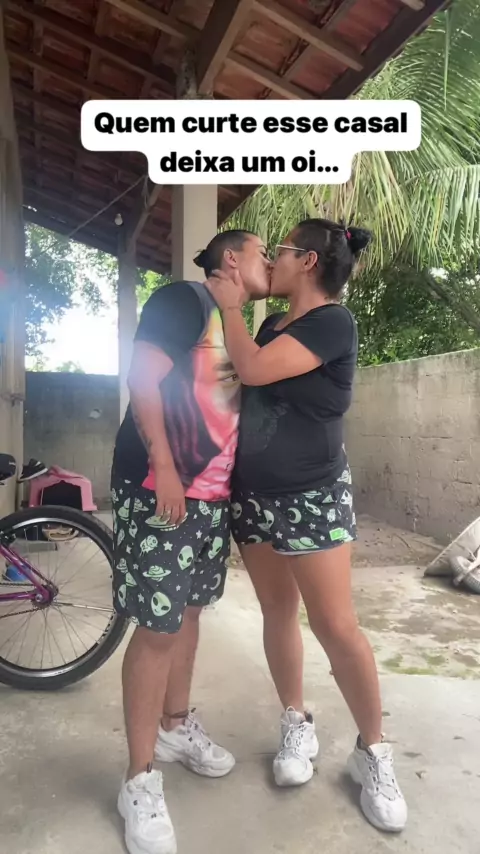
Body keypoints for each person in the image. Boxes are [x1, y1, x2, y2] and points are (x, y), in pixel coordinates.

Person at [206, 218, 408, 834]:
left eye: (283, 251)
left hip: (312, 495)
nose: (274, 259)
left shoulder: (332, 322)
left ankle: (373, 751)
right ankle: (296, 720)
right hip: (255, 495)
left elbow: (254, 370)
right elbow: (243, 383)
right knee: (277, 611)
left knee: (335, 625)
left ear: (310, 262)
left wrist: (230, 306)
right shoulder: (274, 323)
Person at [111, 229, 270, 854]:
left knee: (189, 614)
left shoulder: (234, 324)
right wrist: (166, 467)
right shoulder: (183, 300)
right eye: (261, 253)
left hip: (211, 496)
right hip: (162, 488)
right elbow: (142, 379)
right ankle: (138, 780)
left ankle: (175, 727)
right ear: (231, 259)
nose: (268, 263)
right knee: (157, 628)